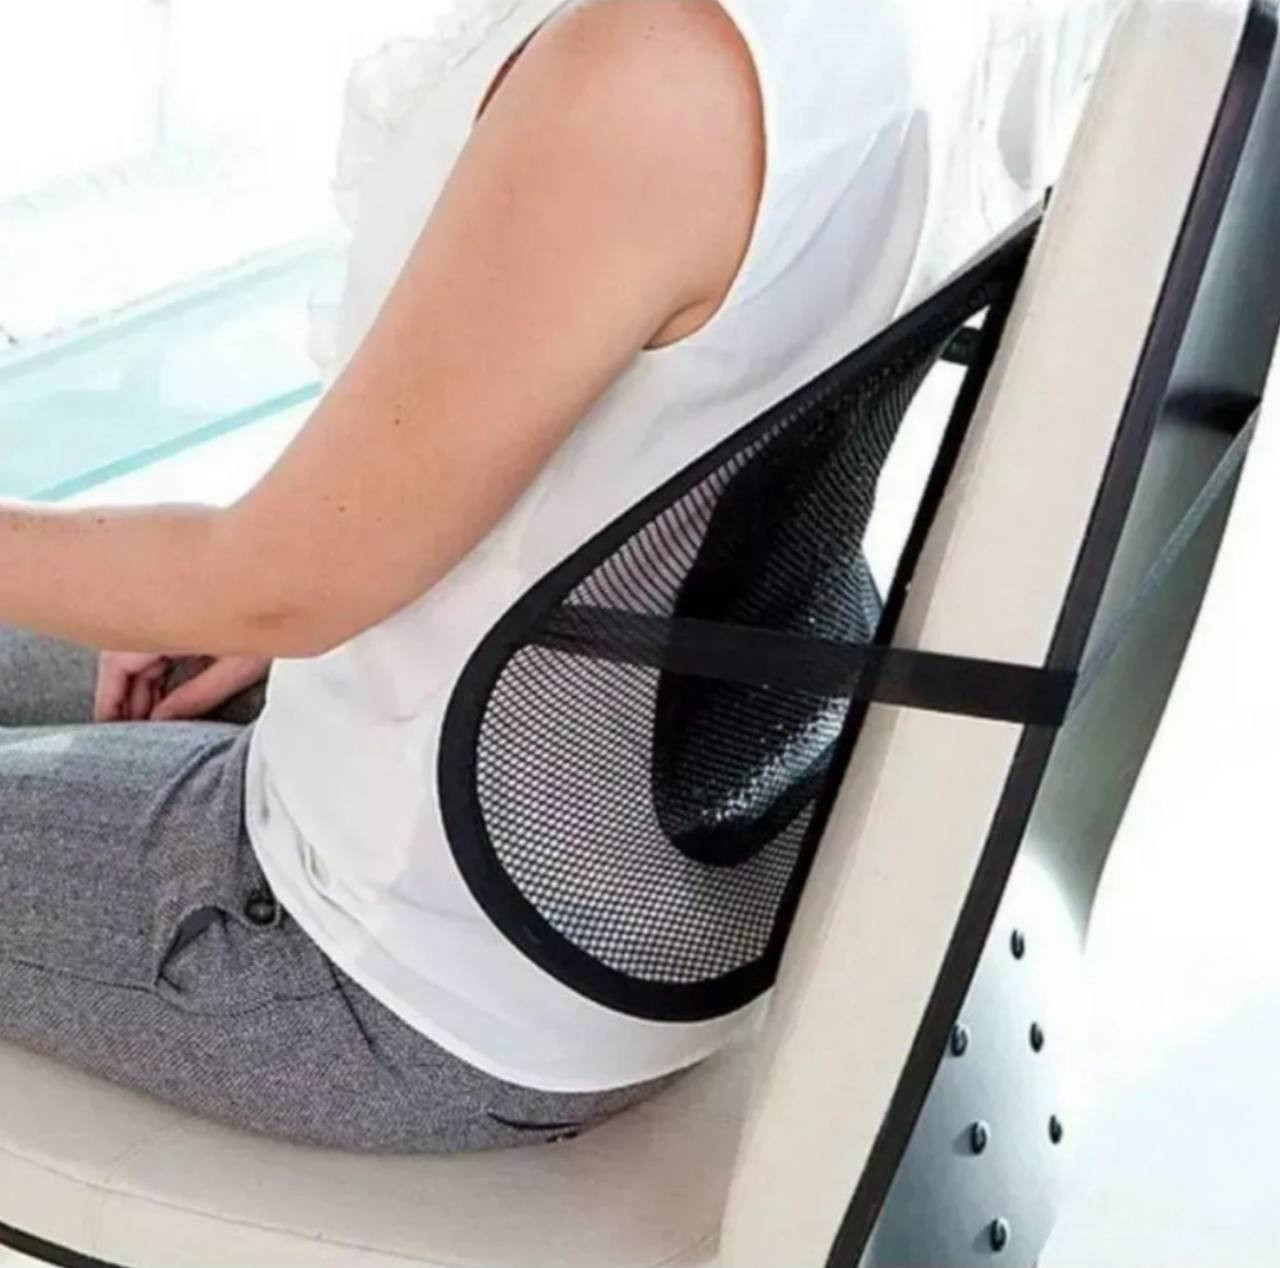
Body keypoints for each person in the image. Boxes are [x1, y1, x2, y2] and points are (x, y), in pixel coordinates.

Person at [0, 0, 1114, 1152]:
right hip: (620, 842)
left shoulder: (655, 73)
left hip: (398, 951)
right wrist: (329, 558)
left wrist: (289, 583)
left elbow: (276, 581)